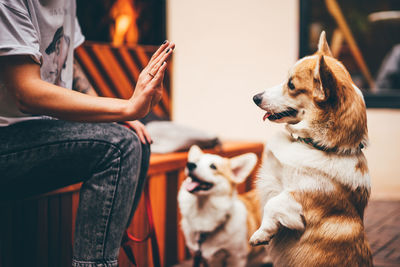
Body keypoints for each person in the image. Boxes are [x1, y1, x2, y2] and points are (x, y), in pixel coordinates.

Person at [0, 0, 174, 266]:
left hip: (42, 128)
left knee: (137, 138)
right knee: (120, 146)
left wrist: (113, 118)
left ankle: (108, 249)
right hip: (7, 138)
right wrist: (124, 108)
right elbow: (27, 93)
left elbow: (68, 59)